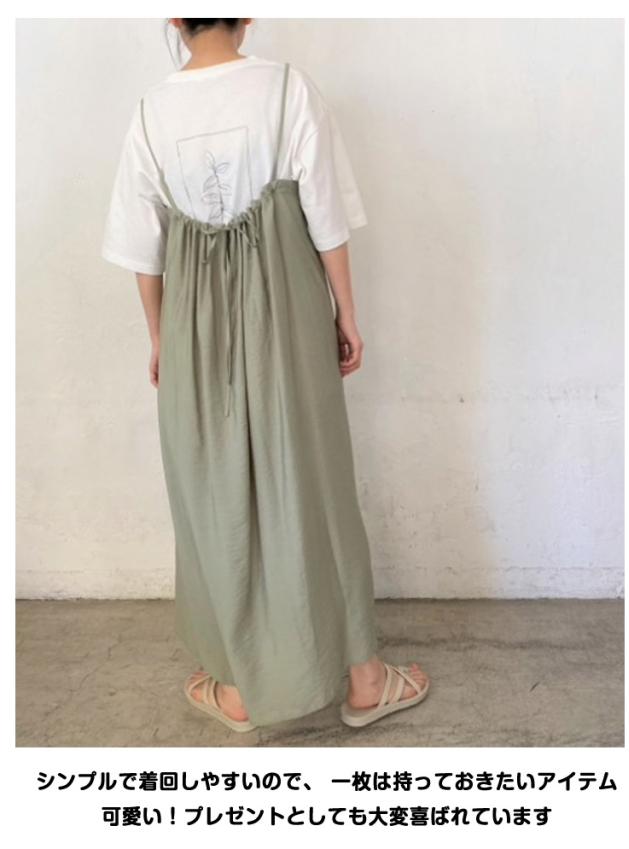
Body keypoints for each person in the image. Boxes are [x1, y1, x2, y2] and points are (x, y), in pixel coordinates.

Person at [102, 17, 429, 731]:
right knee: (316, 478)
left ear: (175, 19)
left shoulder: (150, 113)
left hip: (193, 323)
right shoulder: (289, 90)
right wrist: (345, 314)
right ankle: (366, 680)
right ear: (244, 13)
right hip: (288, 308)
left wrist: (161, 337)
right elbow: (325, 218)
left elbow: (143, 248)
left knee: (210, 488)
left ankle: (239, 691)